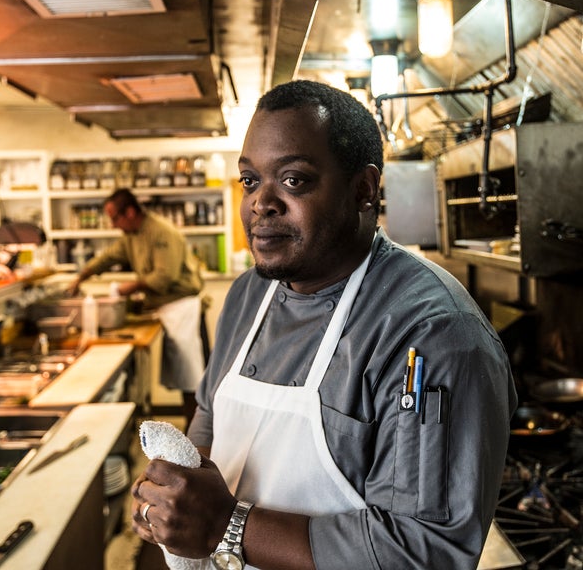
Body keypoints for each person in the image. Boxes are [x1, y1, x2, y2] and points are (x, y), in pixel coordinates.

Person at [131, 80, 517, 570]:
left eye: (293, 180)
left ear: (363, 190)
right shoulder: (248, 294)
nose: (260, 204)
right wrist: (170, 500)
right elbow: (207, 437)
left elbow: (423, 552)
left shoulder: (434, 335)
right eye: (250, 180)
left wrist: (227, 526)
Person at [67, 188, 203, 308]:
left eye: (115, 219)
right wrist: (82, 276)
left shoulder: (161, 232)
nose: (113, 225)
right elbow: (108, 257)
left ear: (130, 212)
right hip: (163, 306)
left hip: (183, 307)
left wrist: (134, 286)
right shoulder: (131, 235)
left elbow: (164, 276)